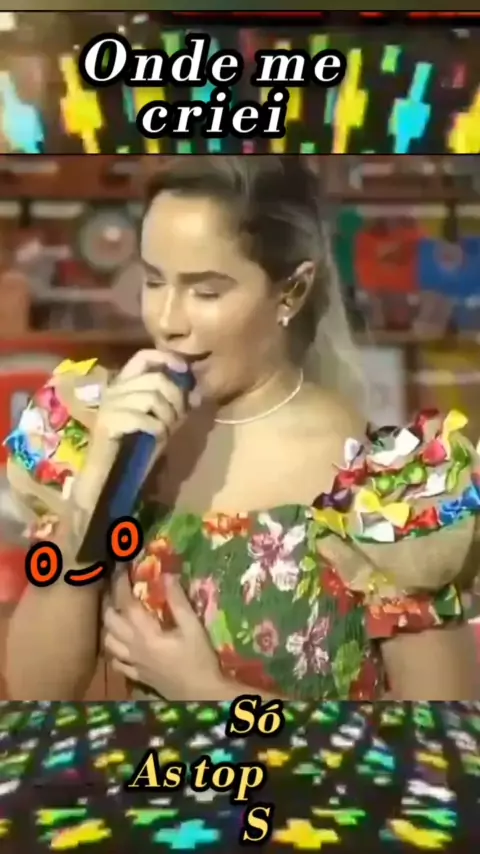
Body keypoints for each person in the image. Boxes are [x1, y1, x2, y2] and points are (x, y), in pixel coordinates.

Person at [4, 155, 480, 702]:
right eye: (154, 281)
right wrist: (89, 509)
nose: (167, 321)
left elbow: (439, 737)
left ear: (292, 291)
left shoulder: (383, 488)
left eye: (206, 292)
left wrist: (211, 694)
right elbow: (34, 695)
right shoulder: (104, 435)